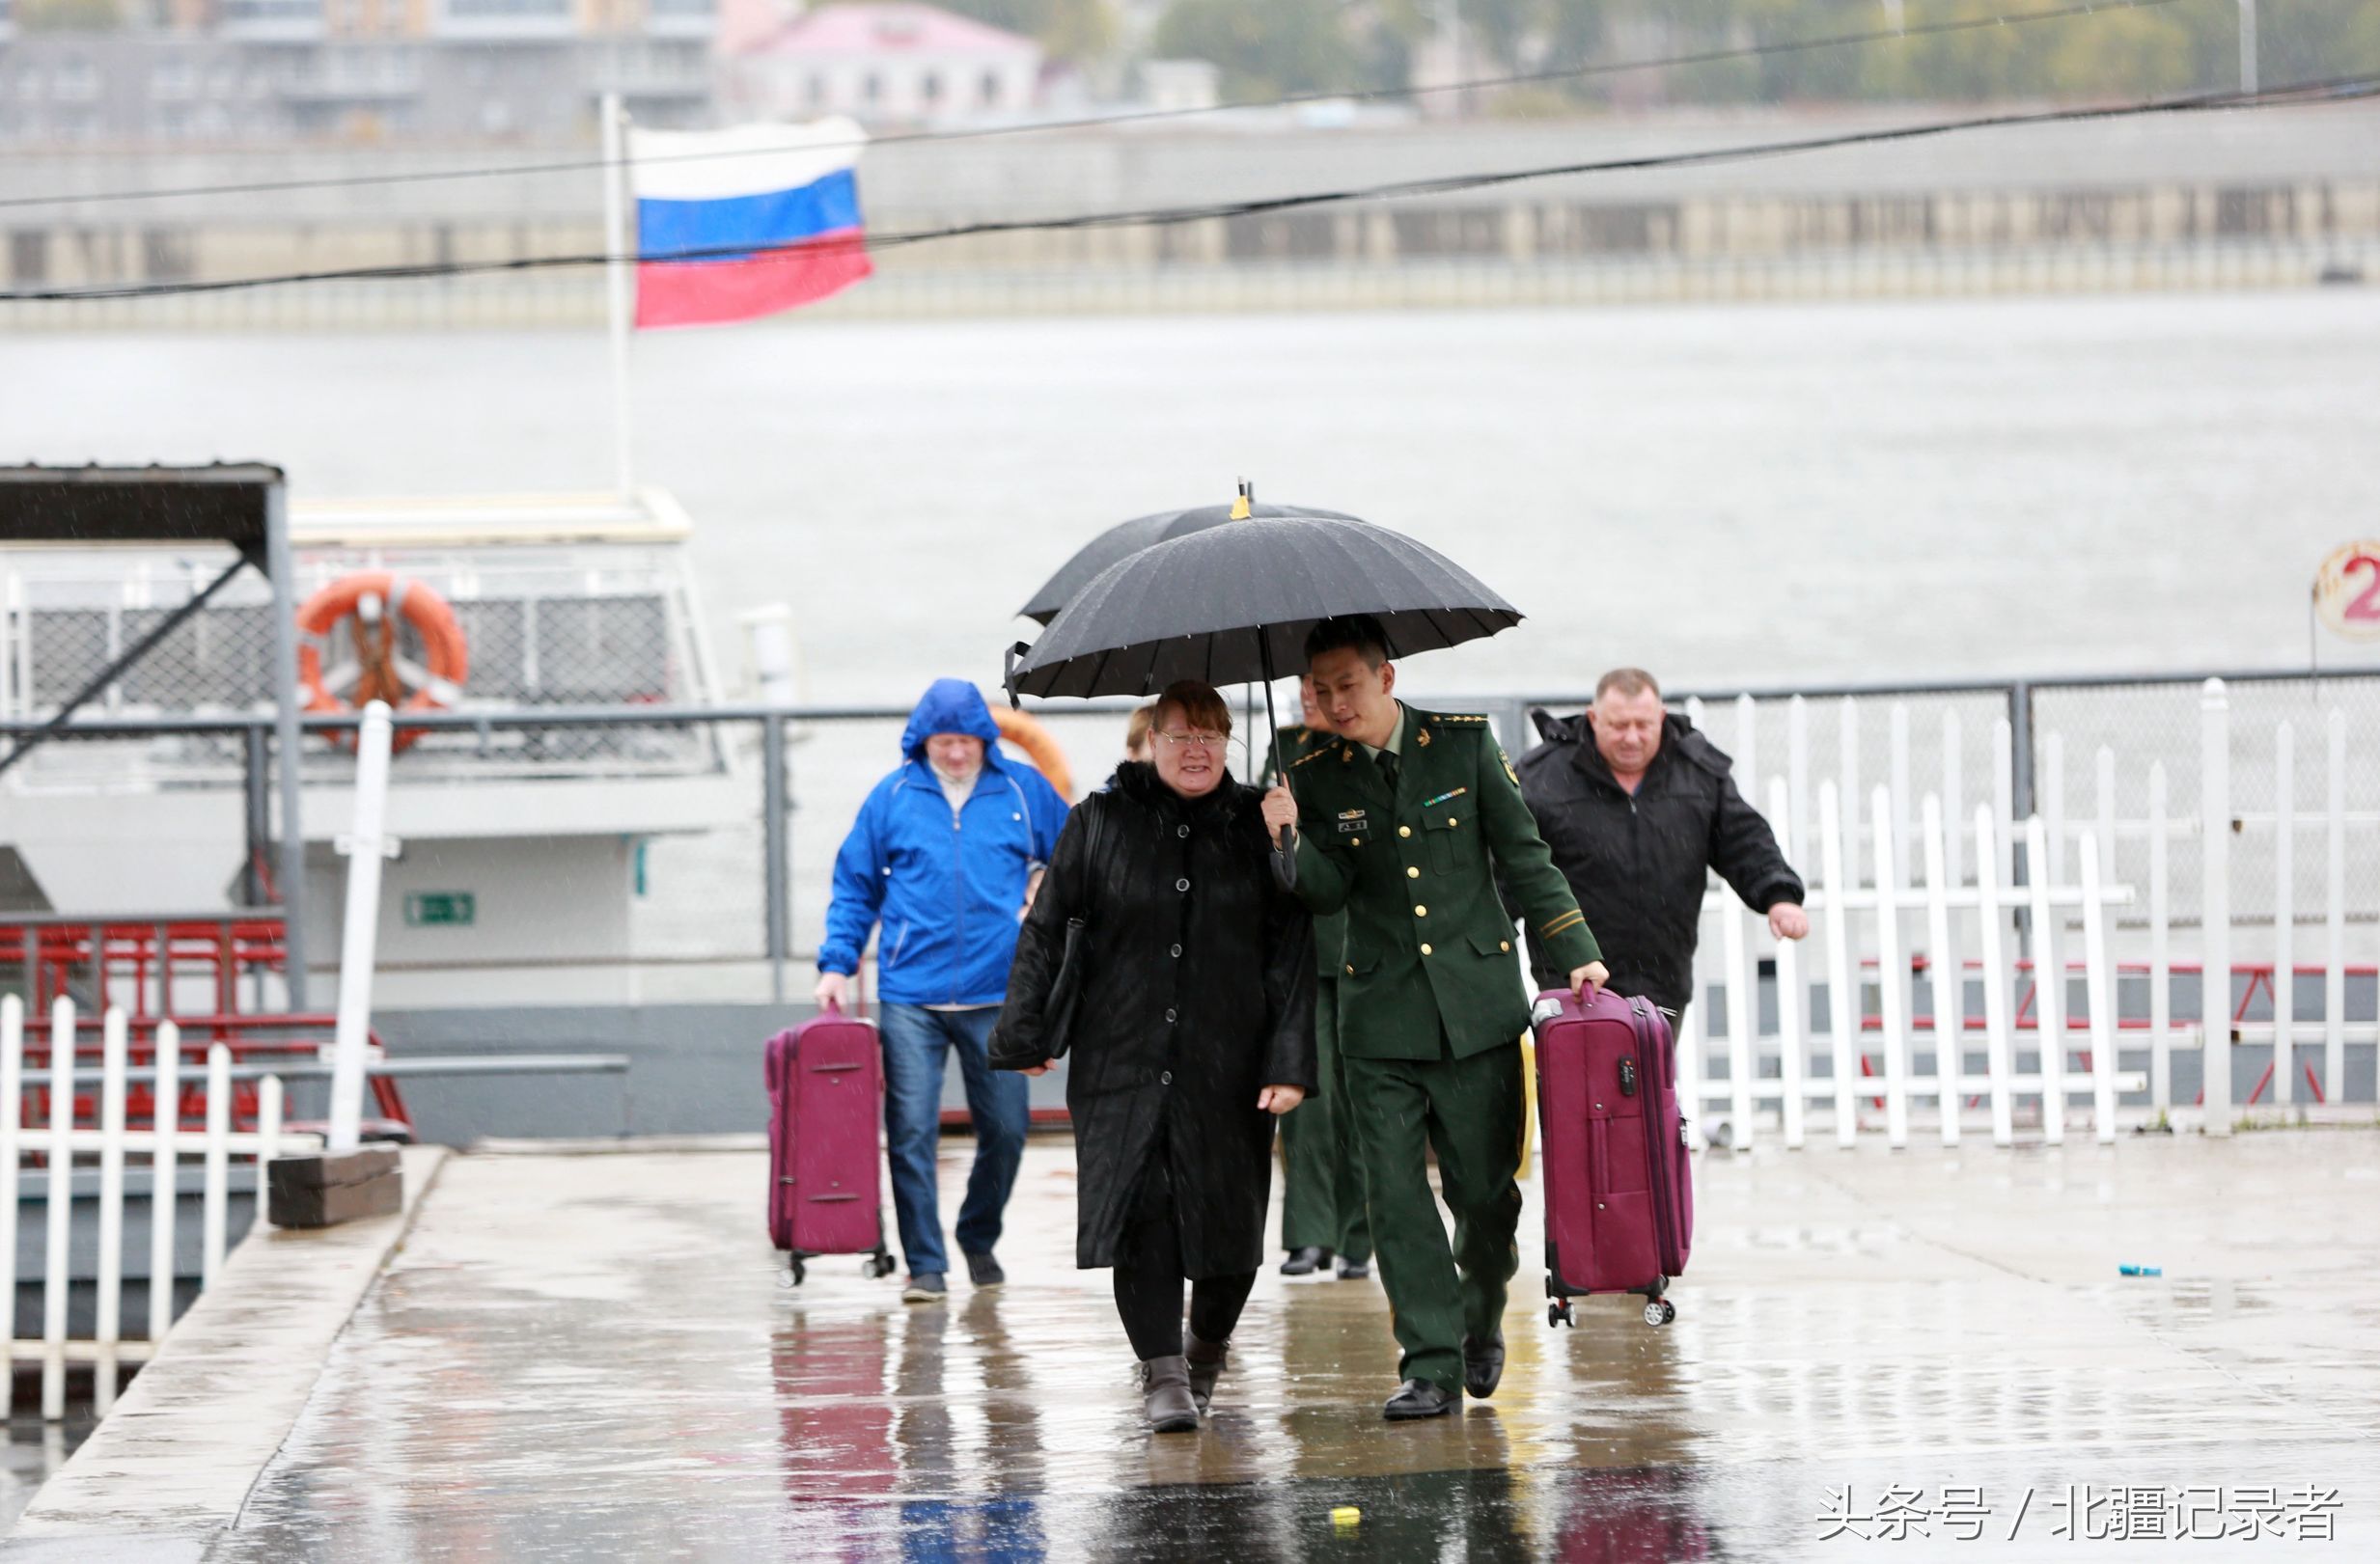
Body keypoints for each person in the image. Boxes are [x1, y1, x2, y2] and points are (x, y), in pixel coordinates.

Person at [1260, 616, 1607, 1422]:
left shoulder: (1462, 744)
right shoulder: (1308, 768)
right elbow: (1327, 889)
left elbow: (1525, 853)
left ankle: (1480, 1313)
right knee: (1395, 1197)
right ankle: (1429, 1362)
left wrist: (1576, 947)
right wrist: (1286, 837)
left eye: (1347, 685)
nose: (1334, 703)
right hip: (1377, 1017)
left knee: (1487, 1199)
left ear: (1386, 678)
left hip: (1477, 1009)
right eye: (1320, 689)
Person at [993, 679, 1315, 1434]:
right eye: (1180, 734)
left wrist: (1290, 1060)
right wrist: (1025, 1032)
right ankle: (1162, 1372)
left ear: (1229, 742)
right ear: (1153, 739)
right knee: (1144, 1211)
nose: (1196, 748)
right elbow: (1045, 928)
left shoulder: (1256, 823)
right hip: (1121, 1052)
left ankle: (1205, 1352)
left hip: (1231, 1057)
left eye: (1211, 734)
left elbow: (1293, 950)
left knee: (1232, 1229)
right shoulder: (1099, 819)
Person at [816, 678, 1070, 1304]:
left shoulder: (1020, 789)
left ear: (985, 738)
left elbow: (1074, 859)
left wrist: (1042, 880)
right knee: (909, 1131)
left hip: (997, 993)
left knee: (1008, 1129)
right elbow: (855, 885)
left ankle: (977, 1234)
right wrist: (835, 962)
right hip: (911, 996)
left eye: (965, 740)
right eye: (943, 741)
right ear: (923, 740)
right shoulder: (894, 796)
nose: (955, 753)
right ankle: (924, 1263)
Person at [1514, 668, 1807, 1018]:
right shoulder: (1542, 776)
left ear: (1662, 718)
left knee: (1653, 1075)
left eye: (1643, 725)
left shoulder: (1697, 771)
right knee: (1585, 1075)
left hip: (1661, 980)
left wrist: (1779, 895)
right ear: (1593, 719)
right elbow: (1510, 866)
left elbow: (1744, 840)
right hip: (1574, 981)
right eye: (1619, 726)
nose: (1632, 738)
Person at [1265, 675, 1371, 1281]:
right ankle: (1309, 1235)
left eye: (1323, 684)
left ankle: (1361, 1234)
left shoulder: (1372, 752)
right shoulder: (1284, 751)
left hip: (1365, 949)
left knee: (1363, 1099)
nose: (1311, 695)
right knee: (1306, 1099)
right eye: (1304, 684)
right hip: (1304, 952)